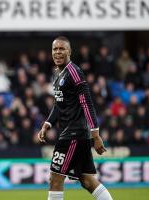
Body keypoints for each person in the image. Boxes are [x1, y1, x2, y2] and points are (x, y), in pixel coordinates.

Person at [38, 36, 113, 200]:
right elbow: (58, 104)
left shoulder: (74, 72)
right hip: (75, 133)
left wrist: (96, 135)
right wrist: (47, 124)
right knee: (86, 180)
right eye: (55, 49)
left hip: (73, 133)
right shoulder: (58, 74)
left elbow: (87, 103)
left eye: (61, 49)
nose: (58, 52)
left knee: (55, 178)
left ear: (69, 51)